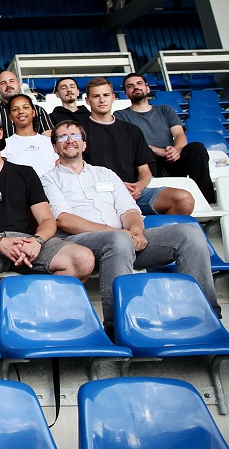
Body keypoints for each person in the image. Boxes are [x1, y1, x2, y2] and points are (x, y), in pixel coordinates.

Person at [42, 120, 220, 332]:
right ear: (55, 147)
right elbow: (63, 219)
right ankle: (117, 327)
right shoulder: (48, 179)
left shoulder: (106, 174)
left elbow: (129, 208)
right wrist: (121, 233)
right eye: (62, 137)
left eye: (75, 135)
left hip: (123, 239)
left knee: (189, 233)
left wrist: (135, 230)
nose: (70, 140)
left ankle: (208, 315)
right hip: (81, 244)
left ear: (84, 144)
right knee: (118, 240)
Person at [0, 112, 95, 337]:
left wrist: (37, 240)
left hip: (25, 240)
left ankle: (33, 309)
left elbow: (46, 219)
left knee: (83, 259)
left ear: (0, 133)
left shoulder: (25, 173)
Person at [82, 77, 194, 215]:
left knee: (184, 200)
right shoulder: (79, 132)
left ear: (113, 98)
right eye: (96, 96)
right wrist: (115, 186)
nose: (102, 100)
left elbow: (145, 171)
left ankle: (154, 235)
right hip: (99, 194)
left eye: (106, 95)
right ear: (87, 101)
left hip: (133, 194)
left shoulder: (132, 130)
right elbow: (77, 173)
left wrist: (139, 186)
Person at [116, 72, 216, 204]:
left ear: (148, 88)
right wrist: (156, 150)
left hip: (171, 159)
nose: (136, 87)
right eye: (130, 86)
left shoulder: (165, 110)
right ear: (126, 93)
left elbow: (179, 134)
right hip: (146, 162)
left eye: (139, 83)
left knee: (196, 148)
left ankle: (207, 201)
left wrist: (177, 149)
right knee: (143, 153)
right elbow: (128, 144)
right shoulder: (120, 116)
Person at [2, 94, 58, 176]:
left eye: (25, 107)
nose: (21, 112)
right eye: (15, 109)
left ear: (33, 112)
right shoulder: (5, 145)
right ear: (10, 117)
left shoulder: (50, 142)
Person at [0, 71, 53, 137]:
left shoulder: (37, 110)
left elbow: (48, 138)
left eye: (11, 81)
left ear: (19, 85)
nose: (8, 85)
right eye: (3, 83)